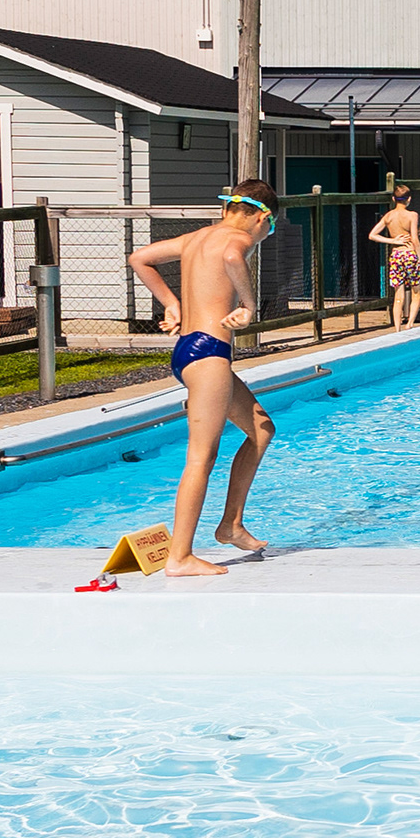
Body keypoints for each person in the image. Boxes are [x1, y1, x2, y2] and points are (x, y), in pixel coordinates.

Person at [126, 187, 280, 577]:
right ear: (262, 219)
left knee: (261, 429)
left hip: (188, 350)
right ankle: (179, 557)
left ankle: (231, 525)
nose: (262, 237)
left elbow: (140, 259)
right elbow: (232, 257)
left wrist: (171, 302)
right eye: (270, 229)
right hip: (210, 352)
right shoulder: (237, 238)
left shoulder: (195, 238)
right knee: (201, 458)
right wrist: (248, 306)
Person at [369, 180, 420, 329]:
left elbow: (372, 235)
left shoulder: (388, 216)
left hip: (396, 256)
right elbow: (415, 240)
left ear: (393, 199)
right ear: (409, 199)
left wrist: (392, 240)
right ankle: (409, 324)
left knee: (398, 295)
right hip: (409, 255)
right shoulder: (412, 215)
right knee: (416, 292)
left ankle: (397, 329)